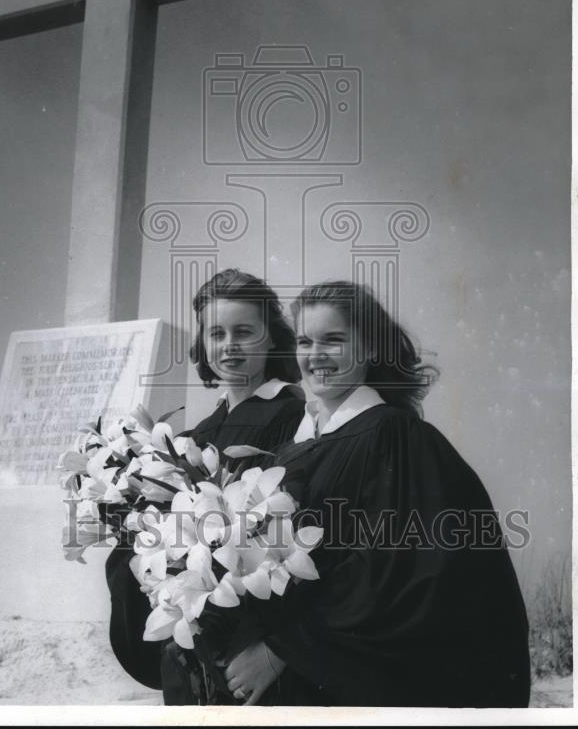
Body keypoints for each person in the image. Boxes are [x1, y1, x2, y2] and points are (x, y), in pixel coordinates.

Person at [223, 280, 531, 708]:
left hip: (346, 683)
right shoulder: (292, 449)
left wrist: (282, 651)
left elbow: (392, 572)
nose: (315, 356)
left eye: (333, 340)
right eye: (306, 341)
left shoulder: (396, 437)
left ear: (369, 349)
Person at [105, 268, 306, 699]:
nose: (229, 345)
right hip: (200, 636)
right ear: (203, 344)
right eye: (217, 333)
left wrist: (276, 649)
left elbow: (303, 534)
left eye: (244, 331)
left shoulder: (292, 417)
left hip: (255, 647)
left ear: (272, 339)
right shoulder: (200, 433)